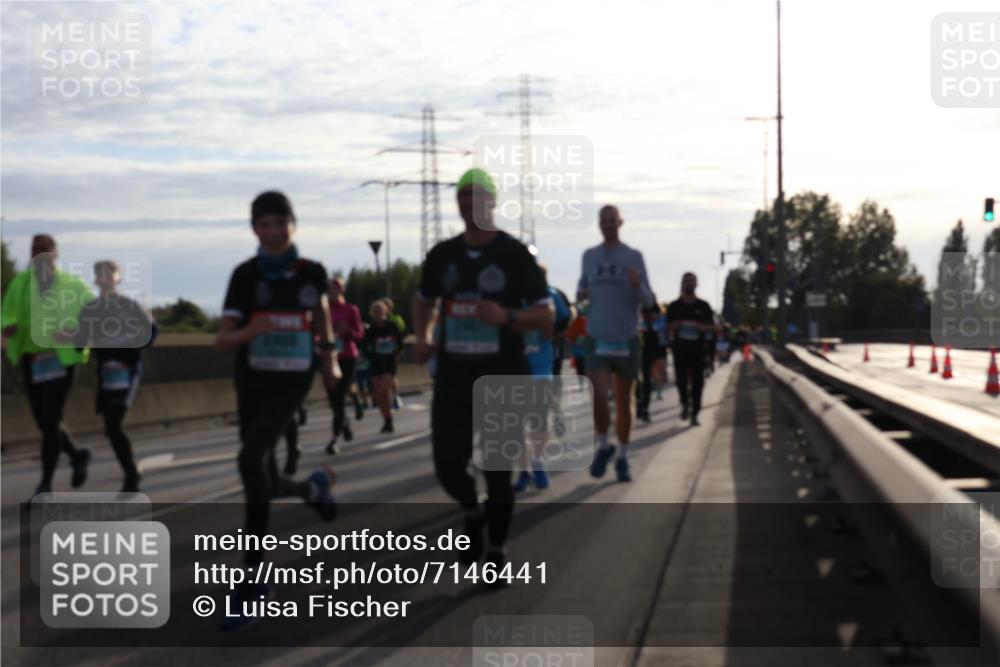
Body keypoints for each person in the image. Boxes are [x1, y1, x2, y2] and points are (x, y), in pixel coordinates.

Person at [413, 168, 552, 578]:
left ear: (493, 201)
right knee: (447, 465)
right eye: (463, 197)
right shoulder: (443, 256)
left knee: (498, 469)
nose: (469, 204)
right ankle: (473, 512)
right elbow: (424, 300)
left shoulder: (514, 255)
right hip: (455, 374)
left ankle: (495, 549)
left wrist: (505, 315)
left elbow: (544, 317)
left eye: (477, 197)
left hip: (505, 372)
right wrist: (423, 335)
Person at [215, 191, 341, 630]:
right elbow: (223, 338)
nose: (272, 231)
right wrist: (253, 328)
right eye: (263, 224)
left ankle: (254, 578)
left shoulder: (313, 273)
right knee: (263, 477)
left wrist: (330, 358)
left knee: (249, 459)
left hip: (292, 380)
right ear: (254, 229)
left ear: (293, 224)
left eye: (279, 223)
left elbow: (322, 313)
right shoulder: (244, 276)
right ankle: (312, 490)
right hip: (252, 380)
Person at [2, 234, 93, 496]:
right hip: (32, 361)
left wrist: (75, 331)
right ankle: (77, 455)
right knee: (44, 423)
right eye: (34, 249)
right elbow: (5, 311)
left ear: (56, 254)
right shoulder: (20, 283)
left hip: (61, 360)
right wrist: (6, 326)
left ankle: (46, 484)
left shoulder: (73, 285)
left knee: (51, 420)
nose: (39, 253)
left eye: (45, 248)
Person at [577, 205, 655, 483]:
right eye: (604, 220)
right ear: (599, 224)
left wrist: (637, 286)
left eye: (613, 220)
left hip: (626, 337)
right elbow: (582, 295)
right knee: (597, 396)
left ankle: (622, 455)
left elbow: (648, 301)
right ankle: (603, 445)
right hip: (597, 336)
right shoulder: (589, 256)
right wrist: (581, 295)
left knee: (624, 401)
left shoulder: (633, 257)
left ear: (621, 222)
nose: (608, 224)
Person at [68, 260, 158, 492]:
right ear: (96, 280)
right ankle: (130, 471)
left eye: (110, 274)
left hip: (128, 371)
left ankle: (131, 475)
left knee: (115, 423)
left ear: (118, 278)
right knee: (110, 427)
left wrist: (133, 343)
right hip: (106, 374)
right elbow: (80, 343)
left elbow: (151, 333)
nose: (105, 278)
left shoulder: (130, 305)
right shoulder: (90, 309)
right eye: (101, 275)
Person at [666, 272, 716, 426]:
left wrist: (701, 327)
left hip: (698, 350)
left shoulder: (703, 306)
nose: (689, 284)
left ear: (696, 284)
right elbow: (666, 327)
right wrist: (674, 327)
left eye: (692, 281)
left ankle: (695, 413)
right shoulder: (674, 306)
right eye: (686, 281)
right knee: (681, 381)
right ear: (682, 284)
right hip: (680, 349)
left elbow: (712, 327)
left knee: (697, 383)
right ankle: (684, 403)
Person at [325, 276, 364, 454]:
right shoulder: (323, 310)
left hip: (348, 356)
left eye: (335, 288)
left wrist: (347, 331)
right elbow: (316, 332)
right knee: (333, 401)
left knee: (340, 397)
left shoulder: (351, 309)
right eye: (329, 289)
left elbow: (359, 334)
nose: (332, 292)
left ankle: (334, 440)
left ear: (342, 290)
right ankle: (345, 422)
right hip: (329, 358)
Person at [364, 300, 404, 434]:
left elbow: (400, 343)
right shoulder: (370, 330)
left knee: (383, 390)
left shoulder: (392, 326)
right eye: (375, 311)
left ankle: (393, 401)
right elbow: (365, 347)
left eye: (380, 311)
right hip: (376, 364)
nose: (378, 314)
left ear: (386, 312)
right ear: (371, 314)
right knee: (380, 395)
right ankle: (387, 420)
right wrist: (369, 356)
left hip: (389, 363)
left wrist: (396, 355)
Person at [636, 304, 664, 424]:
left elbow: (655, 343)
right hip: (633, 357)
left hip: (647, 358)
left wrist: (655, 358)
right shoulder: (633, 319)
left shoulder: (652, 326)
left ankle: (645, 409)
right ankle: (639, 405)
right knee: (637, 383)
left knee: (646, 383)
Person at [382, 297, 407, 410]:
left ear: (390, 307)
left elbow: (404, 333)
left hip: (393, 350)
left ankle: (396, 396)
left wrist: (397, 346)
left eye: (386, 305)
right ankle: (386, 398)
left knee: (392, 374)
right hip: (381, 352)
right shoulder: (379, 319)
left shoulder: (396, 319)